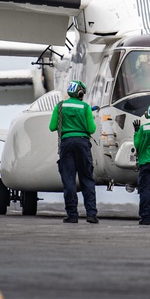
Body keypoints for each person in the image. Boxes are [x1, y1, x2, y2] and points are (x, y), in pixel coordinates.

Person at [48, 80, 99, 224]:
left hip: (66, 143)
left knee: (69, 179)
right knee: (86, 178)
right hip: (82, 143)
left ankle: (72, 215)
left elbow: (52, 127)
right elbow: (92, 129)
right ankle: (91, 214)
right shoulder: (85, 107)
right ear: (80, 93)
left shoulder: (60, 106)